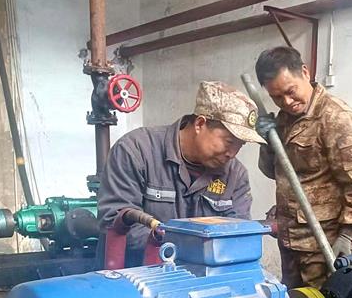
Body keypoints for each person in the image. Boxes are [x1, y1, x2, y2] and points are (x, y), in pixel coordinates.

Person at [98, 81, 264, 267]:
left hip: (205, 279)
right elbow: (114, 221)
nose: (232, 153)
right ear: (200, 124)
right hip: (135, 277)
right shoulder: (136, 151)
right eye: (229, 142)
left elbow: (237, 235)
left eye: (240, 145)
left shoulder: (235, 175)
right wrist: (188, 248)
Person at [255, 46, 352, 289]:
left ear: (305, 72)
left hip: (325, 244)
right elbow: (272, 172)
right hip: (290, 241)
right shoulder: (283, 120)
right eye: (277, 97)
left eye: (290, 92)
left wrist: (347, 234)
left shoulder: (336, 118)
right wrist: (267, 141)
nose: (287, 102)